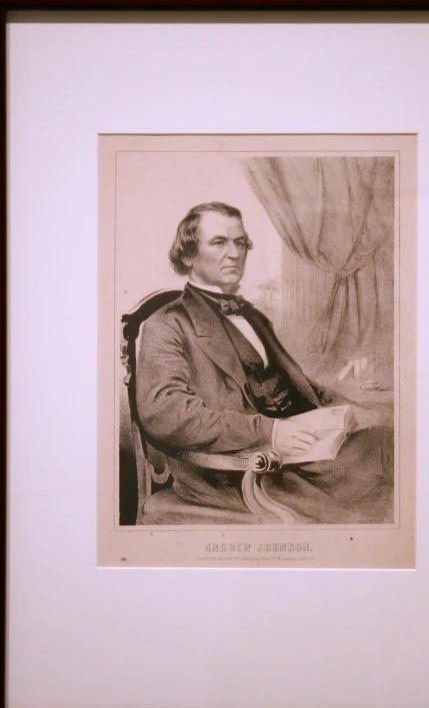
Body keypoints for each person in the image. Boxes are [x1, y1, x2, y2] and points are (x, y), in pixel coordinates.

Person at [135, 202, 392, 524]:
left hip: (301, 454)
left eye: (240, 242)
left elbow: (299, 385)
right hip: (235, 471)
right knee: (356, 515)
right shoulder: (167, 324)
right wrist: (268, 431)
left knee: (387, 442)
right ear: (187, 255)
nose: (234, 253)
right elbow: (166, 414)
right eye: (219, 242)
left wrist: (348, 407)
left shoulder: (253, 316)